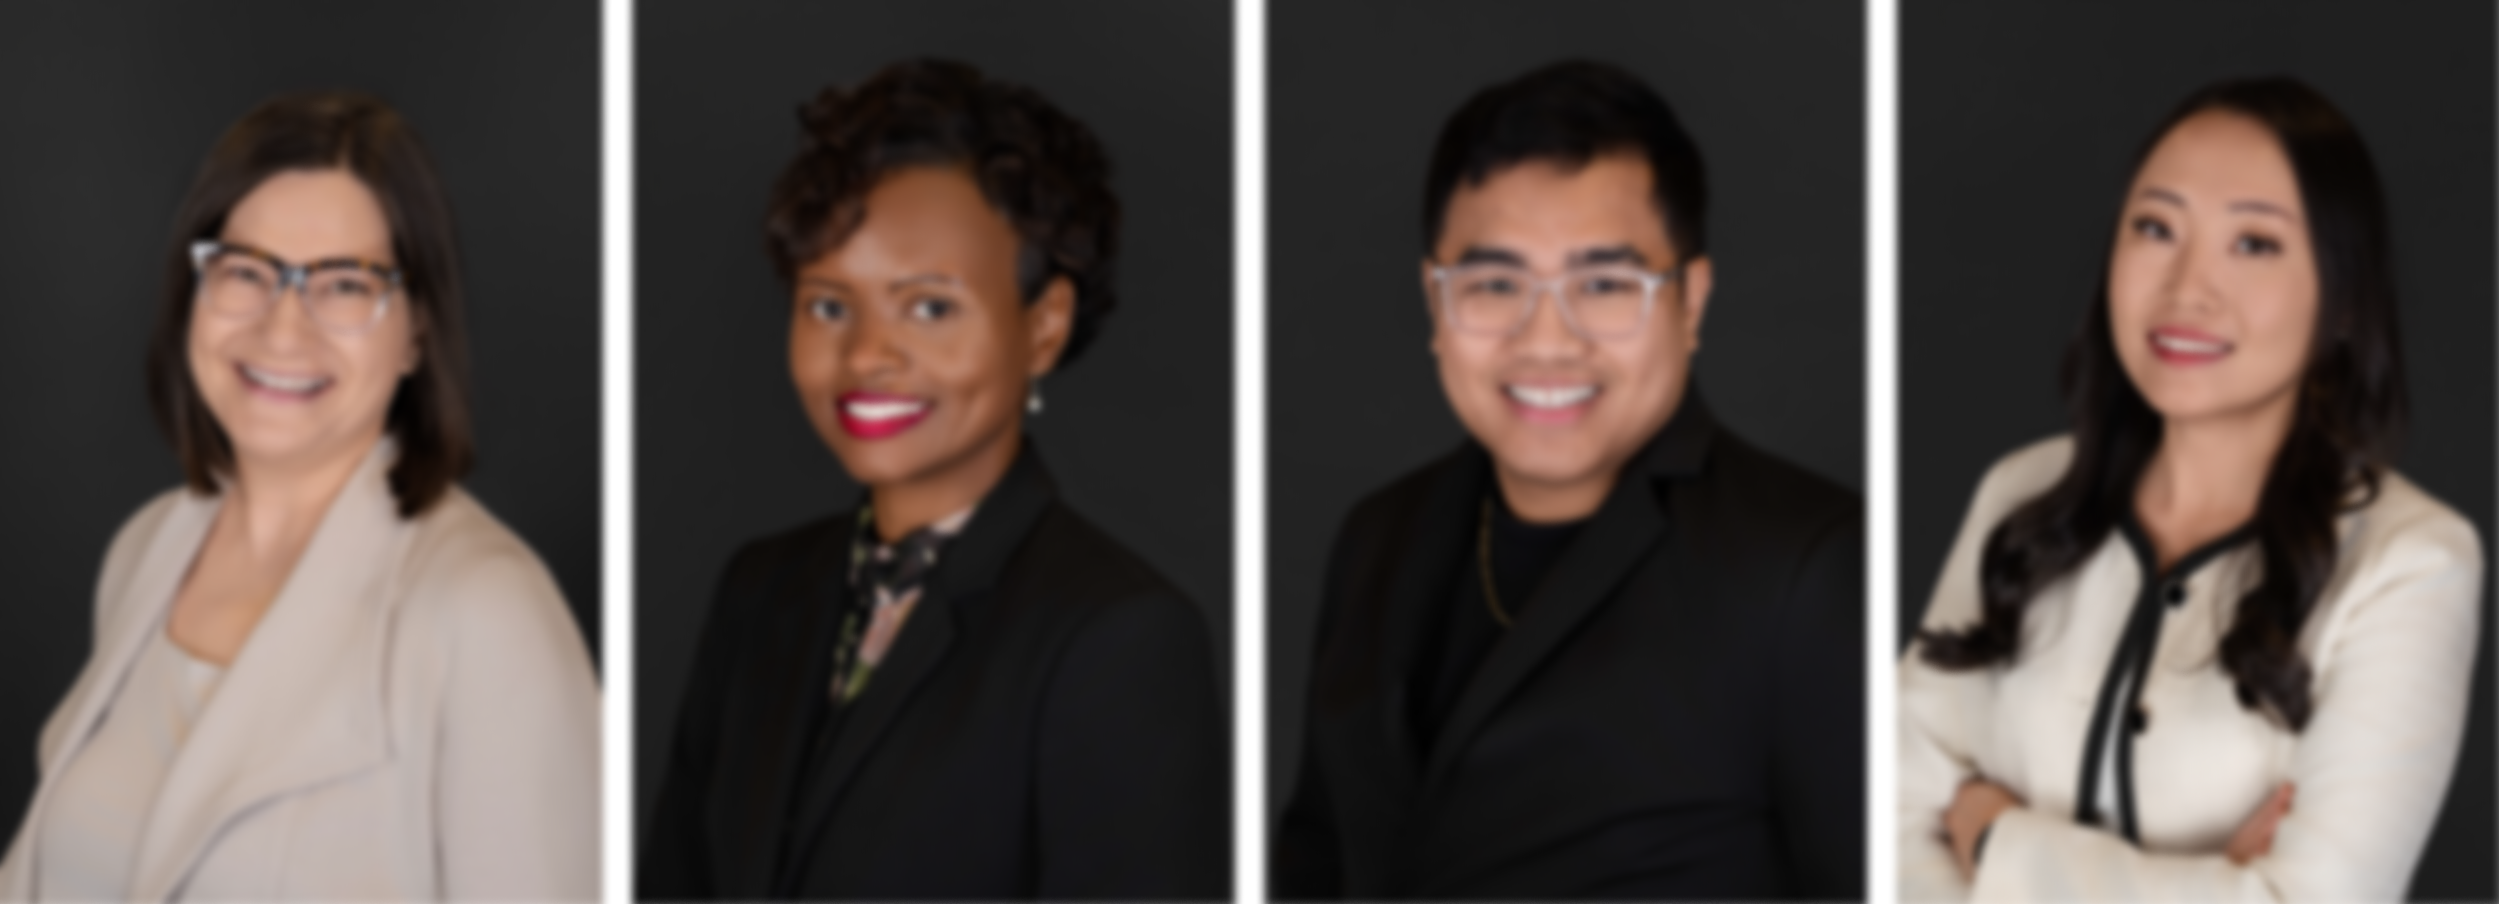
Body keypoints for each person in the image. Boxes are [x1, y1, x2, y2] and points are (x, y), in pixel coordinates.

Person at [1273, 60, 1865, 899]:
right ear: (1433, 303)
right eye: (1493, 285)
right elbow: (1316, 859)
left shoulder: (1809, 567)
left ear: (1689, 302)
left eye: (1602, 286)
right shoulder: (1377, 535)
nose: (1546, 340)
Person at [637, 59, 1227, 901]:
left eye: (929, 307)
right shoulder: (759, 591)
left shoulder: (1119, 637)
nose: (866, 356)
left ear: (1045, 324)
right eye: (829, 305)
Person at [0, 93, 600, 901]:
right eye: (245, 272)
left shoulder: (488, 613)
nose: (283, 330)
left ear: (417, 329)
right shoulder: (147, 548)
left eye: (345, 286)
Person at [1898, 77, 2483, 902]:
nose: (2185, 288)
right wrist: (2205, 883)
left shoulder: (2411, 561)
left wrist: (1996, 838)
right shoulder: (2019, 493)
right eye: (2154, 227)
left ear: (2344, 298)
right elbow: (1889, 816)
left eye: (2253, 244)